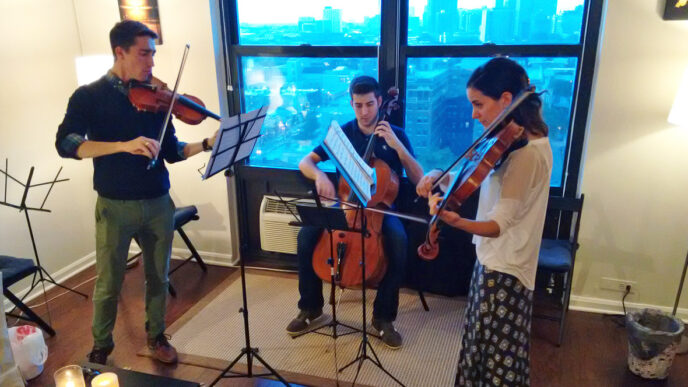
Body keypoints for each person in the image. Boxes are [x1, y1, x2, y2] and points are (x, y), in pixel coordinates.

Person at [55, 20, 217, 365]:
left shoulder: (157, 99)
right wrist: (121, 146)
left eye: (153, 54)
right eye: (145, 54)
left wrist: (205, 143)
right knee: (109, 283)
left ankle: (157, 336)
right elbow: (68, 144)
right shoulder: (89, 96)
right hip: (115, 205)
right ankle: (101, 346)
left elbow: (172, 151)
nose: (152, 63)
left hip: (158, 200)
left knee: (158, 276)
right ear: (120, 51)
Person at [416, 57, 552, 386]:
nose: (474, 114)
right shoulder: (512, 142)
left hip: (503, 269)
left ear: (506, 100)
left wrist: (453, 220)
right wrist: (438, 176)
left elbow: (497, 224)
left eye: (479, 104)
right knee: (482, 345)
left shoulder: (525, 155)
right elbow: (474, 177)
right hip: (494, 260)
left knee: (495, 358)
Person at [286, 76, 423, 349]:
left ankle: (383, 317)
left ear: (380, 102)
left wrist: (397, 146)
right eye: (358, 105)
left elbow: (418, 179)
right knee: (306, 235)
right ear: (351, 103)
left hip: (380, 208)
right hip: (346, 203)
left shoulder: (395, 134)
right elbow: (305, 161)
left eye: (370, 104)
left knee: (398, 242)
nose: (364, 111)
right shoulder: (342, 134)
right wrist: (319, 177)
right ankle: (311, 308)